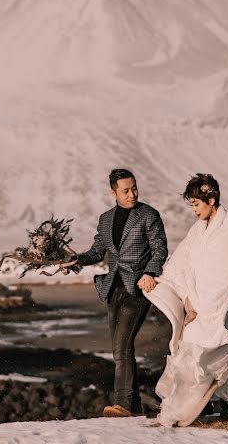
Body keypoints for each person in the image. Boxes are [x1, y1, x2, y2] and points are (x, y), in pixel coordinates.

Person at [62, 168, 168, 417]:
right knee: (121, 349)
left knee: (121, 347)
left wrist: (150, 273)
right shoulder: (106, 219)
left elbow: (160, 249)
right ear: (114, 193)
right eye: (125, 190)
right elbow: (97, 252)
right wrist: (75, 260)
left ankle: (121, 403)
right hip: (113, 289)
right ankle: (134, 407)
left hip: (138, 290)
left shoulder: (148, 215)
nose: (132, 194)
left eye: (134, 188)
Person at [144, 173, 228, 427]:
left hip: (223, 301)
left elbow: (227, 271)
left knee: (223, 350)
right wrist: (175, 290)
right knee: (190, 348)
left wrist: (202, 304)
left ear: (211, 200)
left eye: (196, 204)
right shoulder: (197, 229)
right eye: (191, 205)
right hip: (197, 302)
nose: (194, 210)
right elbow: (182, 260)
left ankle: (223, 403)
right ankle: (187, 404)